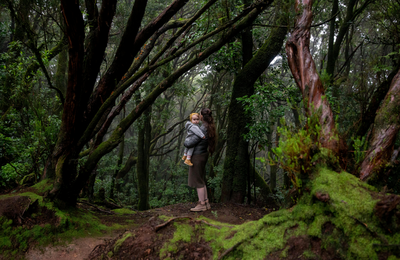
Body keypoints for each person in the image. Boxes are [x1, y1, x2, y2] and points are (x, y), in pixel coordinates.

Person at [184, 108, 216, 212]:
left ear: (201, 116)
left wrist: (186, 141)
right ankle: (206, 202)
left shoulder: (202, 129)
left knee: (198, 181)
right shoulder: (208, 126)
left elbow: (189, 143)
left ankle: (202, 204)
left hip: (198, 156)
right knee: (201, 179)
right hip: (203, 154)